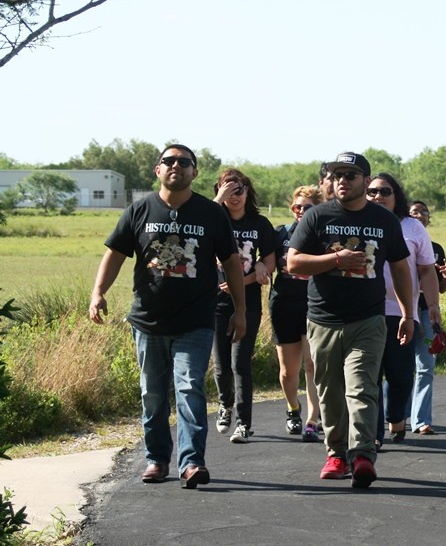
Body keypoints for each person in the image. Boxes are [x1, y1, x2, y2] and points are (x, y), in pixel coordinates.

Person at [88, 144, 246, 489]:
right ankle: (157, 460)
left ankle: (191, 463)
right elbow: (115, 254)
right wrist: (98, 292)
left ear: (195, 172)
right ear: (157, 170)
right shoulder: (139, 210)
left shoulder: (210, 213)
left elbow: (232, 263)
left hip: (196, 320)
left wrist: (240, 310)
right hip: (148, 321)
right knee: (153, 393)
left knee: (189, 388)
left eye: (184, 162)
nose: (176, 166)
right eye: (169, 161)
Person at [287, 152, 414, 489]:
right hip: (323, 320)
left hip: (368, 320)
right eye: (337, 174)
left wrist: (407, 312)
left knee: (361, 387)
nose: (342, 180)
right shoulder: (316, 216)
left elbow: (400, 268)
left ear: (364, 180)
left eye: (351, 174)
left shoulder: (383, 220)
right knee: (329, 392)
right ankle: (337, 453)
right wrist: (336, 259)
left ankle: (362, 456)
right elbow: (294, 263)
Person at [366, 174, 441, 446]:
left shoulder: (412, 227)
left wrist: (432, 305)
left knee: (400, 374)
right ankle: (372, 434)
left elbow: (426, 270)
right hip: (367, 312)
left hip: (403, 314)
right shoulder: (360, 223)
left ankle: (396, 415)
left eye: (385, 191)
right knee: (369, 375)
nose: (378, 196)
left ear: (396, 195)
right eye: (372, 191)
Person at [211, 169, 276, 444]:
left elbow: (271, 261)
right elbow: (199, 221)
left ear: (247, 193)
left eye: (239, 190)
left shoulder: (259, 224)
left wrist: (248, 276)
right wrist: (218, 199)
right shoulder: (214, 218)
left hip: (247, 300)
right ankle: (225, 405)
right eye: (228, 190)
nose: (234, 196)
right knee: (221, 364)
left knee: (240, 363)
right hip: (215, 301)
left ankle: (243, 424)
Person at [269, 185, 324, 441]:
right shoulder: (280, 233)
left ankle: (313, 420)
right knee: (288, 371)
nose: (301, 211)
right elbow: (267, 261)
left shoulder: (321, 234)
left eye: (308, 207)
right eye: (297, 207)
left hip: (314, 303)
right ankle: (293, 409)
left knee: (311, 365)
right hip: (283, 304)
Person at [408, 199, 446, 435]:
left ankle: (421, 420)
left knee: (426, 367)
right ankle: (394, 412)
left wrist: (445, 277)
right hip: (404, 312)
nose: (420, 215)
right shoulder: (401, 243)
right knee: (400, 367)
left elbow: (441, 288)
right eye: (414, 211)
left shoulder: (437, 249)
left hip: (427, 313)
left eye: (424, 212)